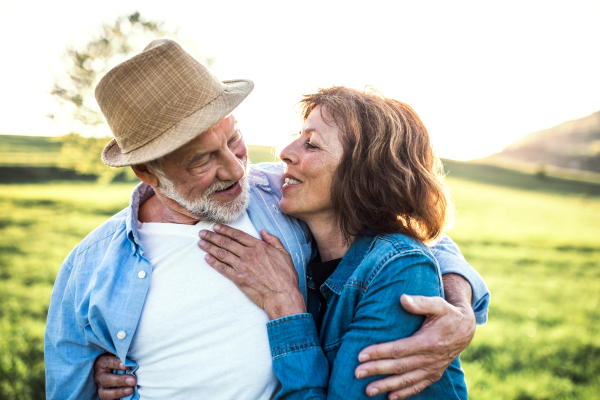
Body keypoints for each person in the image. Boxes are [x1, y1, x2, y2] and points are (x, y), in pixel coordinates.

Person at [44, 39, 488, 400]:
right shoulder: (90, 267)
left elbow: (401, 230)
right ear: (148, 172)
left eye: (234, 139)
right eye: (203, 161)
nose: (237, 169)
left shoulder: (281, 190)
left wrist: (458, 306)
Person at [194, 86, 470, 399]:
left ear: (365, 173)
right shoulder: (304, 252)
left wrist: (285, 307)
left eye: (311, 144)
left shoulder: (399, 269)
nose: (285, 151)